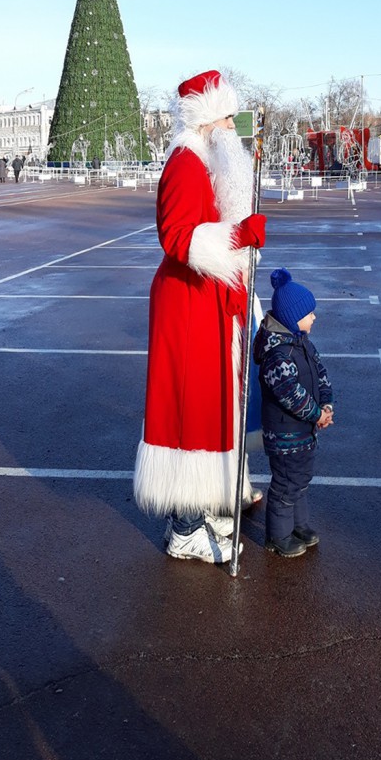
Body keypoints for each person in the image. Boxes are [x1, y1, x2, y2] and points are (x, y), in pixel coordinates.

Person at [133, 69, 267, 564]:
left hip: (204, 300)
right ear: (208, 118)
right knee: (192, 409)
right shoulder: (186, 163)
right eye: (228, 116)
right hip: (187, 306)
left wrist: (240, 236)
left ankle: (205, 510)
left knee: (211, 406)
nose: (233, 125)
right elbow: (178, 236)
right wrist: (239, 238)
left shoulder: (204, 161)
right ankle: (186, 526)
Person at [253, 268, 334, 558]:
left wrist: (326, 405)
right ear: (292, 317)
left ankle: (298, 526)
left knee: (300, 481)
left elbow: (320, 374)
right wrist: (316, 414)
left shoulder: (302, 344)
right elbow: (290, 394)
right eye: (309, 313)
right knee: (286, 485)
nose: (314, 317)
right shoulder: (279, 355)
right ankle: (278, 536)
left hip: (303, 431)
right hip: (285, 434)